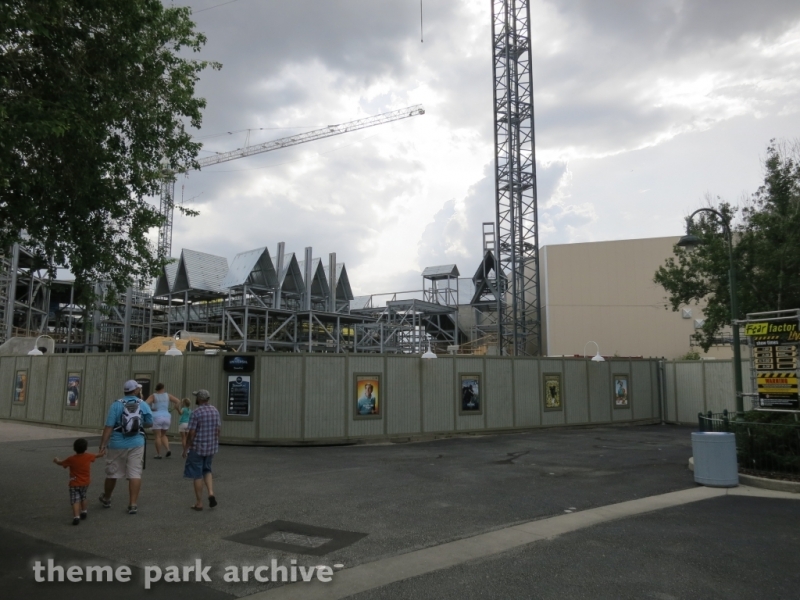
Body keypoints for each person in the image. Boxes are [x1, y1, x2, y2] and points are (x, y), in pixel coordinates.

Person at [98, 380, 153, 515]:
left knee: (112, 472)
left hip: (117, 443)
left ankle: (107, 498)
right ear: (135, 390)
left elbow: (109, 426)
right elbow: (149, 423)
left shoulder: (116, 405)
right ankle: (133, 504)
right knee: (135, 473)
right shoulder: (143, 404)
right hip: (137, 442)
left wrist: (103, 444)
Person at [183, 389, 221, 511]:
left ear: (199, 399)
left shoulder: (196, 412)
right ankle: (210, 492)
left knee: (197, 474)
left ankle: (199, 503)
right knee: (207, 470)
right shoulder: (215, 410)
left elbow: (192, 433)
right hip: (211, 447)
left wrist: (186, 448)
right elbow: (218, 430)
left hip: (198, 447)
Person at [53, 438, 105, 525]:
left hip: (74, 482)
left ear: (74, 448)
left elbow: (62, 463)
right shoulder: (88, 456)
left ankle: (76, 517)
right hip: (85, 481)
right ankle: (84, 511)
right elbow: (96, 455)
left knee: (75, 500)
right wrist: (101, 453)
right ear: (86, 448)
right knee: (83, 497)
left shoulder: (71, 459)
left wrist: (56, 460)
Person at [145, 383, 181, 459]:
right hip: (167, 416)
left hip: (157, 416)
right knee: (163, 435)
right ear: (163, 388)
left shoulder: (154, 396)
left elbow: (145, 403)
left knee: (157, 436)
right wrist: (175, 408)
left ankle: (158, 454)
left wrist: (151, 409)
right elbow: (178, 401)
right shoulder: (168, 395)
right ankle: (168, 449)